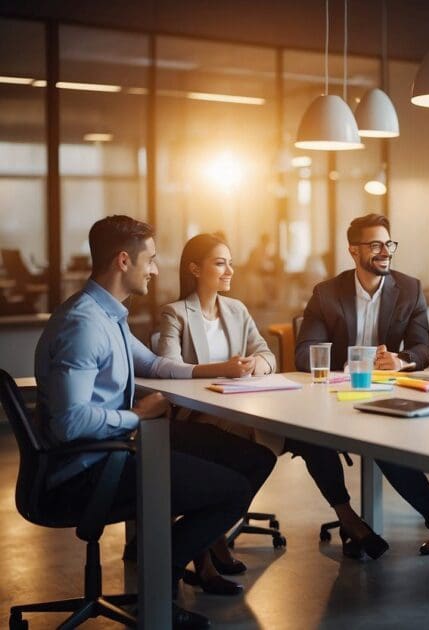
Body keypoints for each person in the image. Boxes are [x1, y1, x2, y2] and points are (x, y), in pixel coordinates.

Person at [35, 215, 273, 629]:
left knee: (252, 458)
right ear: (124, 261)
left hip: (118, 445)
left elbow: (157, 365)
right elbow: (69, 424)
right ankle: (159, 574)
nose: (157, 269)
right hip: (91, 467)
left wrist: (217, 370)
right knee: (230, 490)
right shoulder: (85, 326)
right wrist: (136, 415)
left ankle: (167, 555)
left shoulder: (107, 315)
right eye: (151, 259)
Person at [289, 213, 429, 559]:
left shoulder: (409, 289)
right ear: (353, 251)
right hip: (336, 398)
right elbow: (304, 354)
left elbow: (422, 349)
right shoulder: (326, 293)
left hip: (386, 396)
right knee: (311, 435)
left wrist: (401, 360)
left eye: (388, 244)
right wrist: (354, 364)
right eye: (375, 245)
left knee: (386, 443)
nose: (385, 251)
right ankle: (349, 516)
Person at [156, 233, 281, 595]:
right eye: (220, 262)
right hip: (194, 417)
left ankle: (210, 534)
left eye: (230, 261)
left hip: (237, 410)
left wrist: (253, 363)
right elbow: (168, 367)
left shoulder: (237, 310)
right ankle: (209, 544)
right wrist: (221, 368)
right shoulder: (175, 312)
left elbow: (268, 356)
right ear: (195, 268)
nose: (230, 269)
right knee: (249, 445)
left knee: (258, 443)